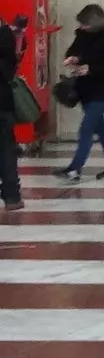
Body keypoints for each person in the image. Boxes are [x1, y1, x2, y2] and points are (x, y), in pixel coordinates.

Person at [59, 3, 104, 185]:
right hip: (84, 90)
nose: (81, 27)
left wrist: (91, 69)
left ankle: (74, 169)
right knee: (102, 130)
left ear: (95, 23)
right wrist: (75, 58)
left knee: (86, 129)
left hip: (101, 91)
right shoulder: (81, 35)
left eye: (85, 24)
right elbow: (74, 51)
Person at [0, 14, 21, 212]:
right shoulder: (5, 34)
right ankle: (12, 196)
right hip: (3, 101)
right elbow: (12, 66)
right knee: (6, 149)